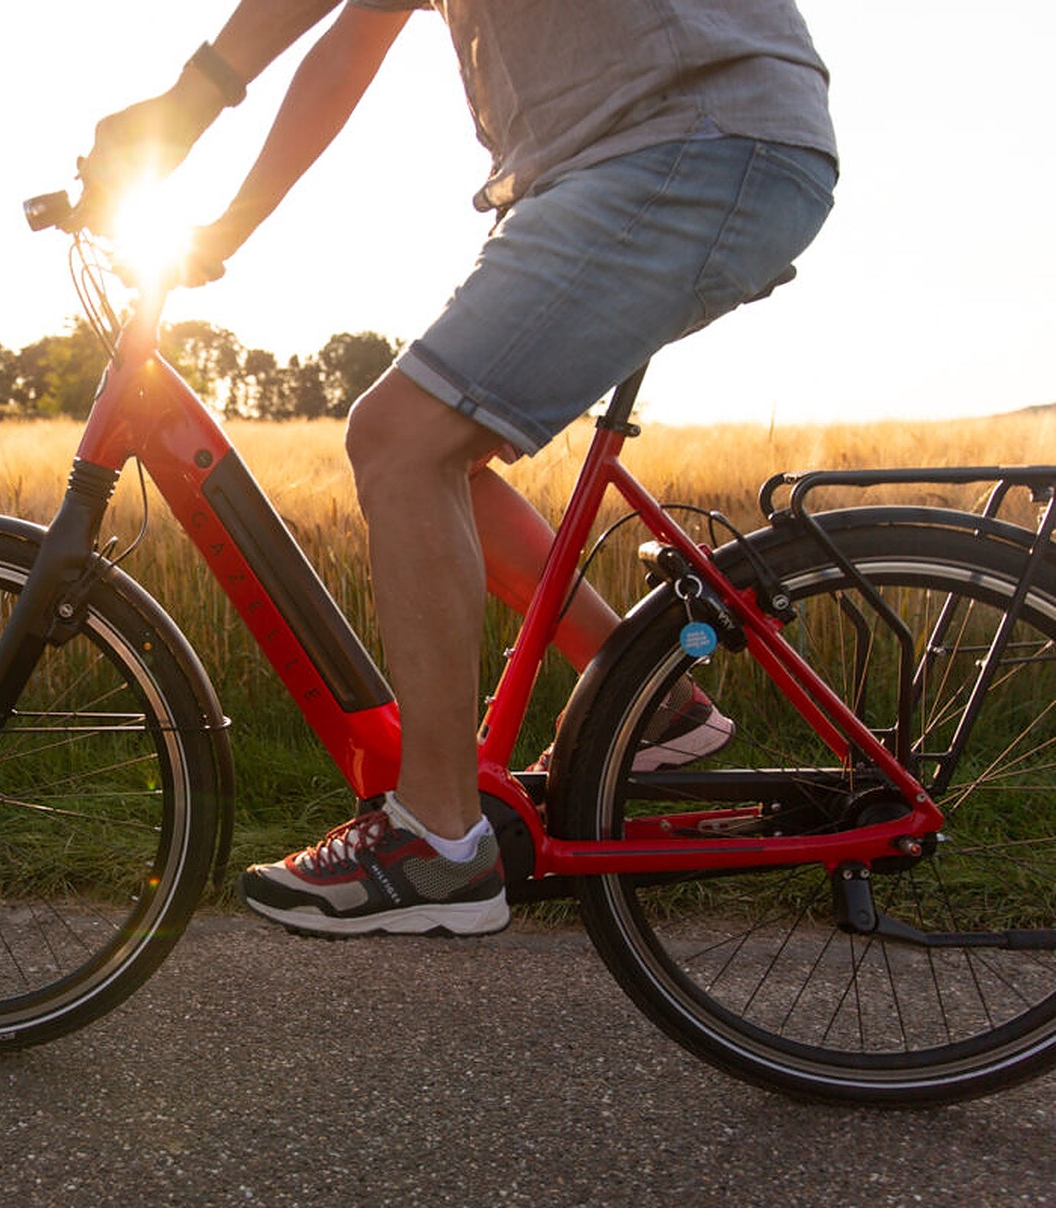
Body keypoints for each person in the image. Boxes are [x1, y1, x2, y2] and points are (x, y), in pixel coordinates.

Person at [77, 0, 837, 939]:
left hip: (687, 140)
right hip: (640, 151)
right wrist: (228, 225)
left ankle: (437, 839)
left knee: (399, 441)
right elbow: (352, 43)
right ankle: (652, 697)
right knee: (438, 460)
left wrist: (185, 104)